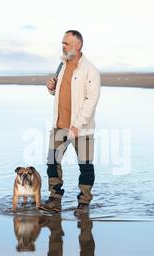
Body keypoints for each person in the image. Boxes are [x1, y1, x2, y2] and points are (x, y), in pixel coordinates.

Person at [39, 30, 101, 215]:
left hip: (81, 129)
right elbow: (62, 93)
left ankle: (84, 202)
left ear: (78, 45)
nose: (63, 46)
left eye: (66, 43)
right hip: (59, 125)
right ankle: (54, 200)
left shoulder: (90, 70)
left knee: (85, 166)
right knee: (52, 162)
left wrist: (77, 125)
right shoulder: (62, 65)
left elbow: (92, 99)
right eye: (63, 43)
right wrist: (51, 88)